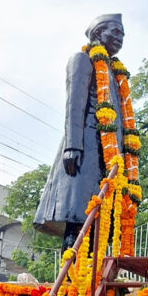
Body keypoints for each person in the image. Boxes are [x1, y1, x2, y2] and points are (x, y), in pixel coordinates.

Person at [34, 14, 126, 251]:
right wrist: (72, 146)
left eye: (122, 35)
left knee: (101, 221)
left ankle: (93, 277)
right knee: (78, 219)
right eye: (115, 32)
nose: (120, 38)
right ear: (97, 34)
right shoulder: (82, 60)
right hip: (84, 148)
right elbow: (74, 105)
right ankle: (71, 280)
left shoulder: (116, 75)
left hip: (108, 157)